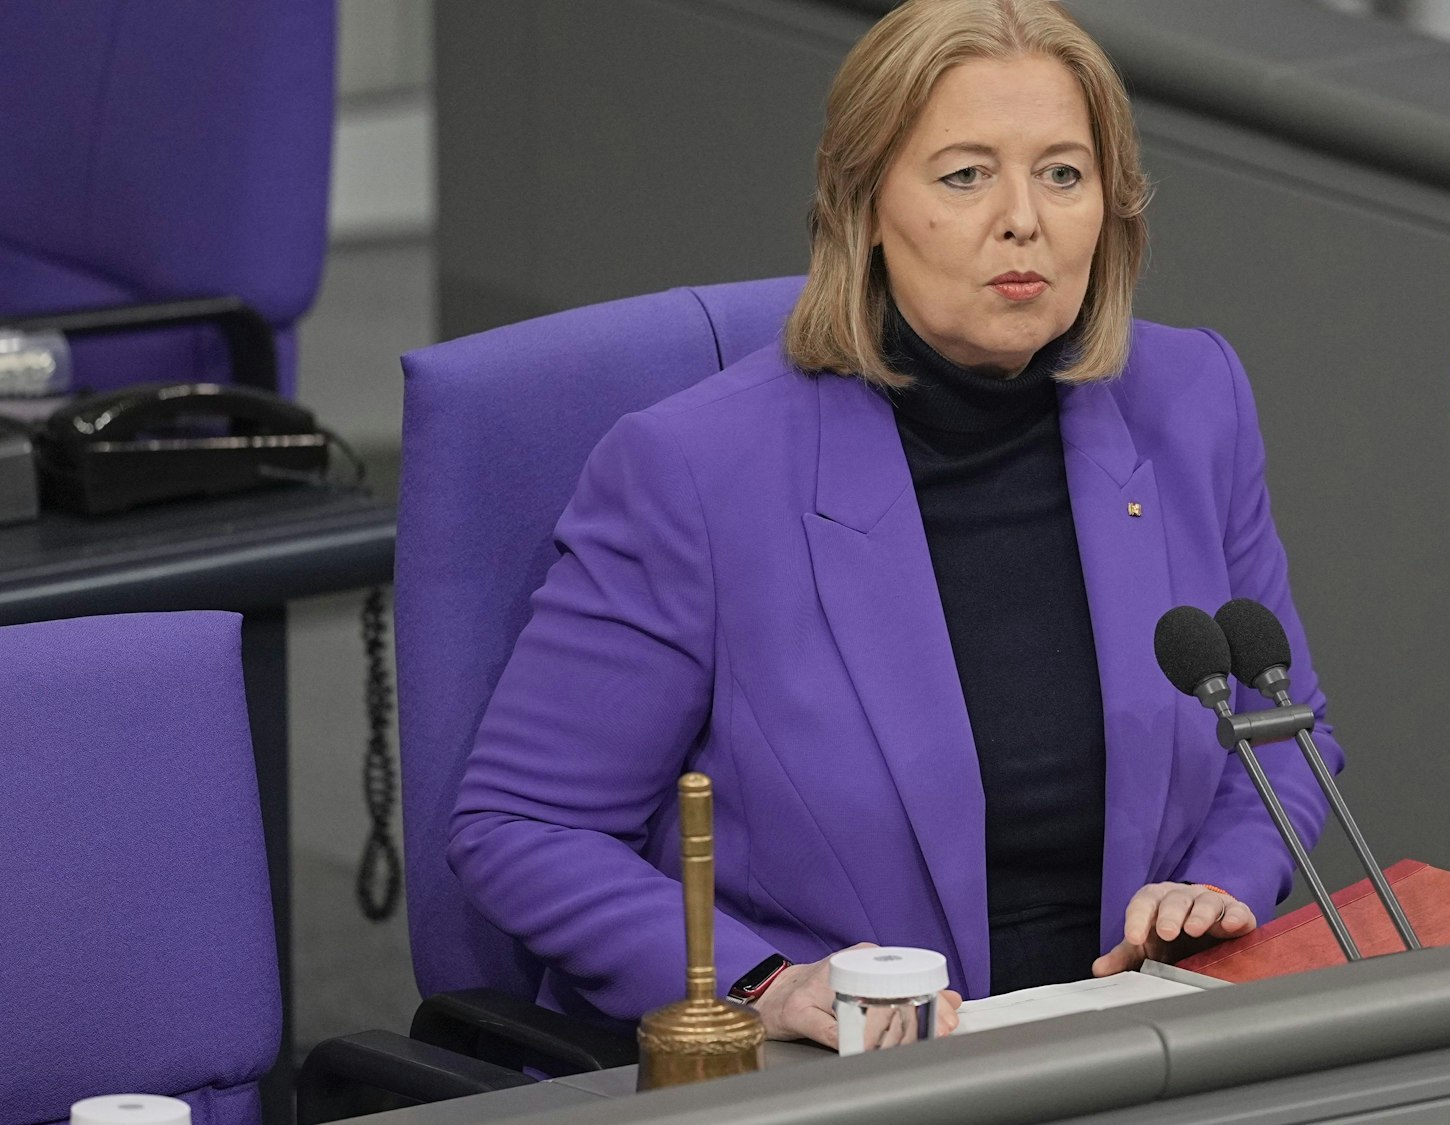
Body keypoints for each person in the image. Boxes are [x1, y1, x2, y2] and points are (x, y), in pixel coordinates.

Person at [449, 0, 1336, 1050]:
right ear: (862, 205)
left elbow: (1283, 737)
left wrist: (1216, 887)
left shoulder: (1191, 399)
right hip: (850, 1073)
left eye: (1062, 173)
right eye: (964, 175)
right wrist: (765, 985)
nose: (1024, 219)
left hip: (1138, 1040)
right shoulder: (693, 472)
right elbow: (524, 826)